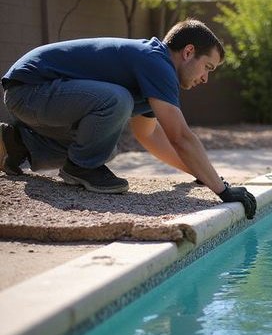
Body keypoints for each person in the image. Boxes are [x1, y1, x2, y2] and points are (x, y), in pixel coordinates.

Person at [0, 18, 257, 219]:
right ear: (189, 52)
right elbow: (180, 136)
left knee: (104, 148)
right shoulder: (157, 62)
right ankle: (80, 168)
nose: (205, 78)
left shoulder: (154, 70)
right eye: (207, 67)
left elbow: (149, 134)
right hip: (29, 90)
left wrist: (200, 172)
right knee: (116, 101)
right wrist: (222, 190)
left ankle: (17, 144)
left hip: (36, 95)